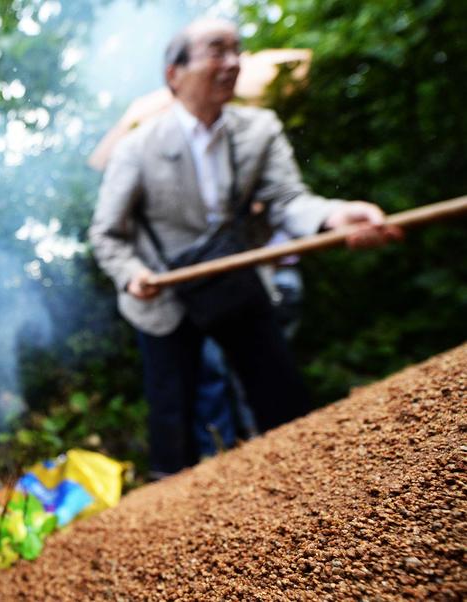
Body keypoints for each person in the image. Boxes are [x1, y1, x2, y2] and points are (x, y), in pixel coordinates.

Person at [89, 18, 399, 478]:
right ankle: (169, 517)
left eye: (237, 51)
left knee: (283, 398)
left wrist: (333, 217)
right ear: (174, 73)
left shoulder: (259, 130)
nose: (232, 63)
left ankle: (303, 483)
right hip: (165, 294)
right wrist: (132, 274)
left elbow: (288, 201)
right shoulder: (137, 148)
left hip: (236, 277)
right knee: (172, 423)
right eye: (217, 51)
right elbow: (106, 233)